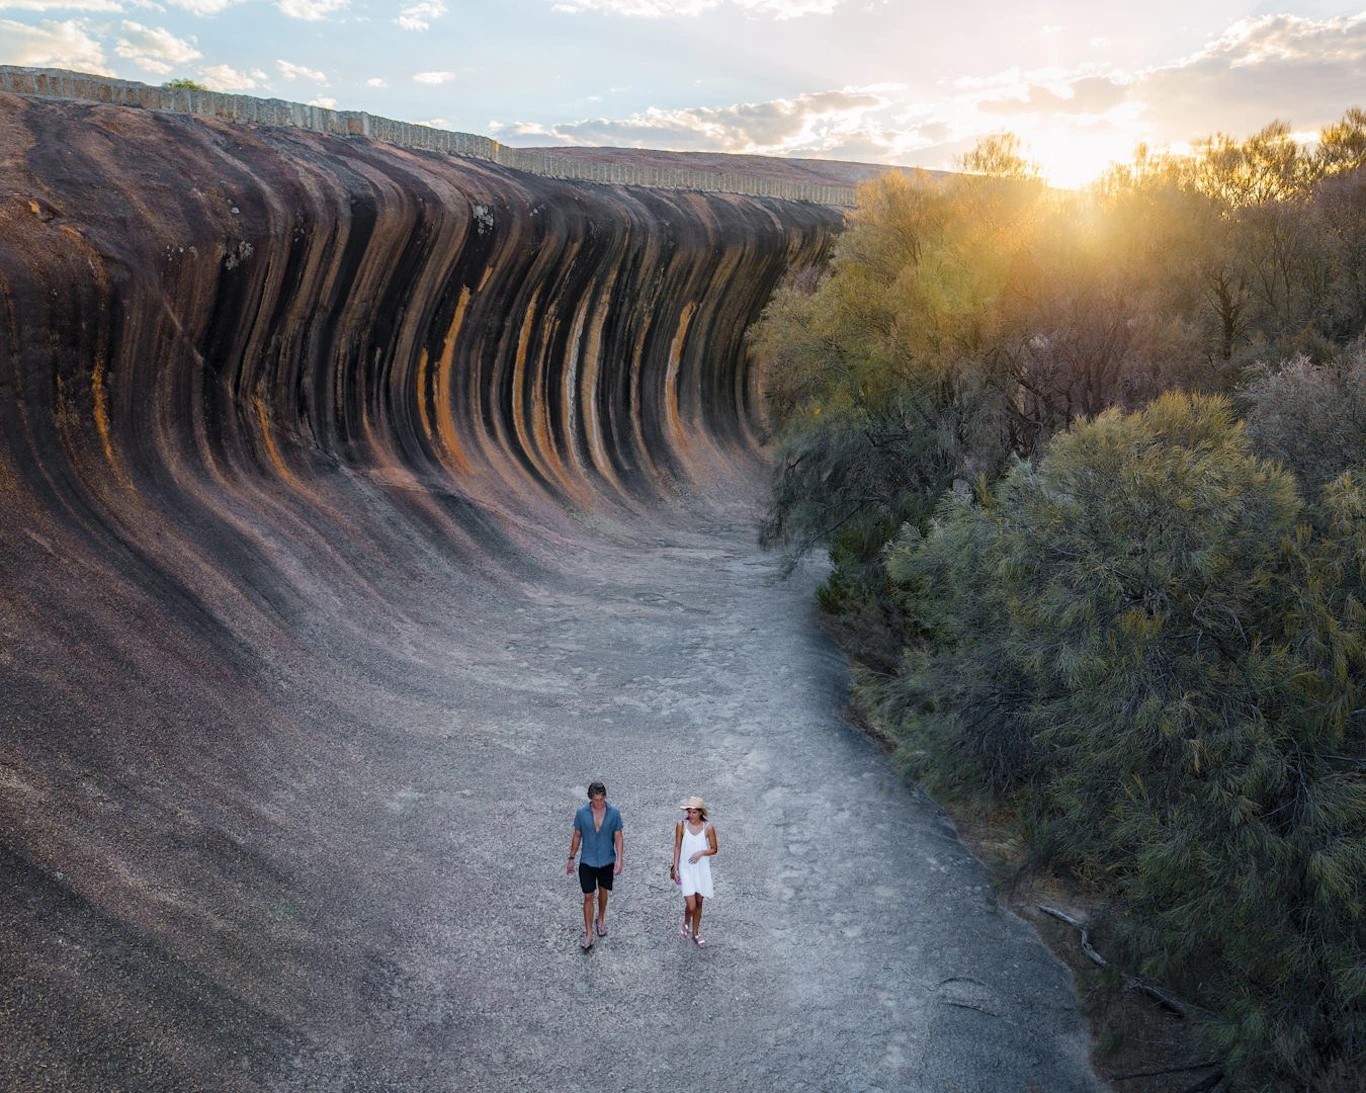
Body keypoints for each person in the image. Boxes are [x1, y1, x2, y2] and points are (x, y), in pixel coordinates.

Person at [566, 780, 624, 951]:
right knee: (588, 896)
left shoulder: (614, 813)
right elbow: (577, 835)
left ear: (605, 797)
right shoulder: (581, 813)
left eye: (601, 799)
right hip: (587, 861)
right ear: (590, 798)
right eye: (595, 800)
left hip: (606, 860)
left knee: (603, 892)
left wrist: (619, 859)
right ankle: (589, 933)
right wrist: (571, 858)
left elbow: (619, 836)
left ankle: (601, 918)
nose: (599, 803)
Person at [671, 795, 717, 948]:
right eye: (689, 812)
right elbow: (677, 847)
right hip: (686, 868)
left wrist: (700, 853)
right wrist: (675, 868)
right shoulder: (681, 825)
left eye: (694, 813)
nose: (691, 815)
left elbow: (714, 849)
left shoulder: (708, 827)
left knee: (699, 902)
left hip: (701, 868)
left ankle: (696, 932)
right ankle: (685, 922)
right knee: (691, 905)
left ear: (700, 813)